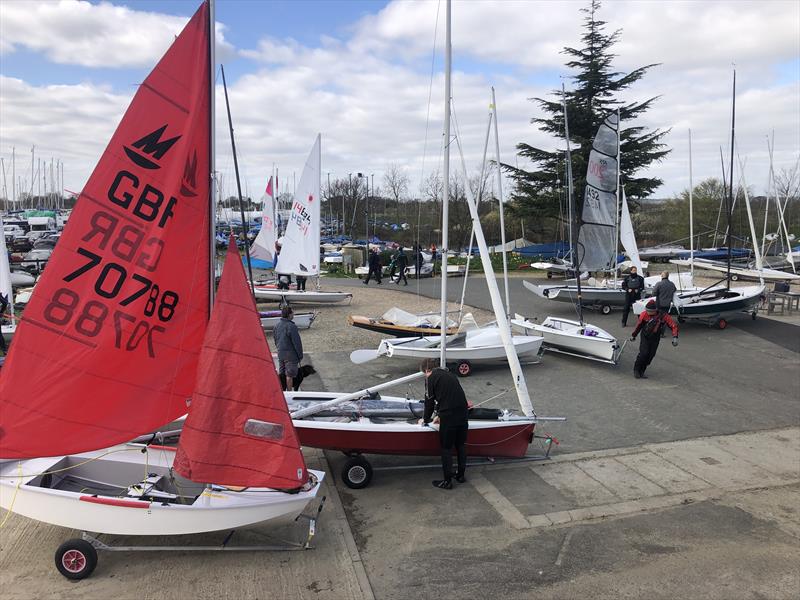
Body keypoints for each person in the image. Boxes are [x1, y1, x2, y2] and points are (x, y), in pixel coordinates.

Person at [418, 358, 469, 489]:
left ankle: (447, 481)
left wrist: (425, 419)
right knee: (460, 445)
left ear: (426, 370)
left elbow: (429, 402)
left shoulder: (430, 379)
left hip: (449, 416)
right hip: (463, 413)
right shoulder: (450, 374)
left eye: (424, 373)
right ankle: (461, 475)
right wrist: (439, 415)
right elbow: (450, 396)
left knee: (446, 448)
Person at [629, 299, 679, 379]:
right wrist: (633, 335)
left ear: (655, 310)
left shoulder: (663, 316)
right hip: (645, 336)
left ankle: (642, 371)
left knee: (650, 355)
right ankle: (637, 370)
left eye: (649, 311)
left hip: (655, 337)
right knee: (643, 353)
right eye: (647, 310)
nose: (648, 312)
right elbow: (638, 326)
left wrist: (675, 337)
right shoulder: (644, 314)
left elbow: (673, 325)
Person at [273, 305, 303, 391]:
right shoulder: (291, 326)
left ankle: (283, 393)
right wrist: (300, 355)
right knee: (289, 375)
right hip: (290, 355)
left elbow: (275, 340)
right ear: (289, 314)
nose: (293, 314)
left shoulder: (277, 326)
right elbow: (297, 343)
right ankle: (290, 394)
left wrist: (279, 349)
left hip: (281, 354)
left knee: (282, 375)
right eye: (292, 312)